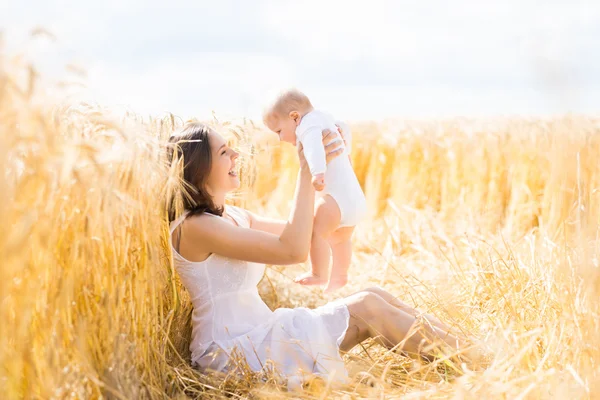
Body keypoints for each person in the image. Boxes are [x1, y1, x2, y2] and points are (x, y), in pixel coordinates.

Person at [167, 122, 475, 388]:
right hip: (231, 353)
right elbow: (293, 250)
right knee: (366, 306)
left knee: (372, 293)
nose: (235, 155)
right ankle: (476, 363)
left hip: (262, 334)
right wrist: (306, 172)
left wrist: (333, 167)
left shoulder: (232, 215)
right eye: (223, 152)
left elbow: (306, 230)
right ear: (198, 167)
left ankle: (469, 351)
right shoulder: (195, 227)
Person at [263, 89, 366, 292]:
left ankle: (318, 274)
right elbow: (343, 127)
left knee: (316, 233)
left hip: (335, 199)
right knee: (341, 239)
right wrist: (348, 150)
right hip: (356, 199)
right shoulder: (325, 117)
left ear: (294, 117)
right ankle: (341, 275)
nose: (280, 139)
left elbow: (313, 148)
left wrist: (317, 172)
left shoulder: (307, 125)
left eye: (278, 131)